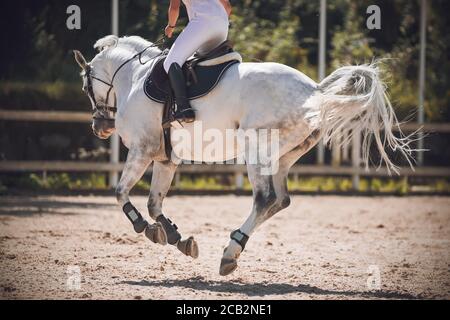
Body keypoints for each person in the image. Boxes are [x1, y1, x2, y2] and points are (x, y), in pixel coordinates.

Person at [163, 0, 232, 125]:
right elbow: (227, 6)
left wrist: (171, 26)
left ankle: (183, 108)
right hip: (222, 22)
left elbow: (174, 8)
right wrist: (219, 21)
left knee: (171, 62)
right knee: (204, 60)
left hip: (203, 22)